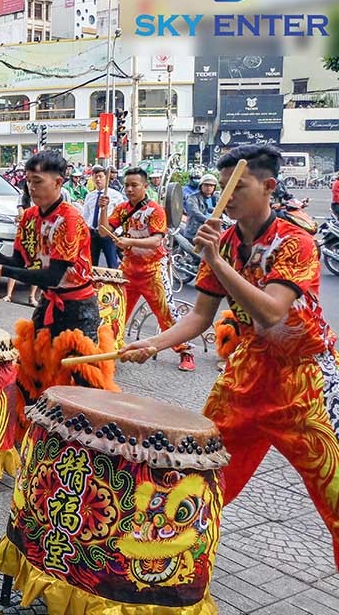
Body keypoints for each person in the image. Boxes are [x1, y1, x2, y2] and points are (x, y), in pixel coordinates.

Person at [121, 145, 339, 572]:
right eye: (223, 188)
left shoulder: (296, 242)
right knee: (200, 477)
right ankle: (160, 570)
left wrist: (217, 262)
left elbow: (272, 311)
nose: (228, 196)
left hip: (306, 381)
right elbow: (201, 316)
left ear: (268, 186)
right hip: (246, 375)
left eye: (238, 187)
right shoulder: (222, 243)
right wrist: (155, 344)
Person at [0, 150, 118, 413]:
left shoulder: (71, 219)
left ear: (58, 182)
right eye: (28, 180)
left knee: (81, 379)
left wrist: (2, 270)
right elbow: (21, 262)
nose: (31, 186)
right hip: (48, 302)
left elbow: (53, 276)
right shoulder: (29, 218)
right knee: (34, 369)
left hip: (78, 309)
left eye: (37, 180)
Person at [102, 167, 195, 372]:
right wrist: (103, 209)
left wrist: (128, 240)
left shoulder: (155, 210)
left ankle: (185, 350)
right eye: (126, 185)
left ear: (145, 186)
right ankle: (110, 352)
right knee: (117, 312)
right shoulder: (122, 209)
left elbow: (156, 241)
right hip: (127, 270)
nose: (129, 189)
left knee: (165, 313)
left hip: (153, 270)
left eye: (134, 185)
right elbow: (103, 230)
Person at [81, 165, 124, 268]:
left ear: (106, 177)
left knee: (111, 263)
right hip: (93, 233)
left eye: (100, 176)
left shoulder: (116, 195)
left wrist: (117, 233)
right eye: (95, 177)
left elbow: (121, 215)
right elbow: (86, 216)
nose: (98, 179)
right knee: (91, 264)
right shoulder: (89, 196)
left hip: (108, 233)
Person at [3, 181, 39, 306]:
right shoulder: (23, 198)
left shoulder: (42, 198)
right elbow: (22, 216)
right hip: (24, 236)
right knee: (16, 264)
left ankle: (32, 296)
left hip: (37, 237)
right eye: (29, 182)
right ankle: (8, 294)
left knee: (36, 265)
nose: (31, 185)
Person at [182, 173, 219, 241]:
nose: (209, 187)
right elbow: (194, 212)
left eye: (211, 185)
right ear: (201, 186)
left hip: (211, 231)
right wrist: (208, 220)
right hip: (194, 232)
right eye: (206, 185)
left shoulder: (216, 198)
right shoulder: (193, 197)